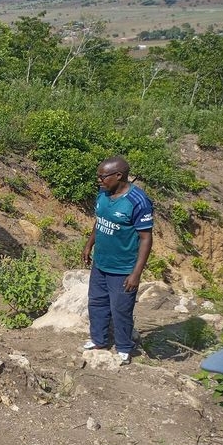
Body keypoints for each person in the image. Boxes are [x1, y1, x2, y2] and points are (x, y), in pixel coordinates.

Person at [82, 156, 154, 365]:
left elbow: (146, 238)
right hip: (101, 263)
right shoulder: (104, 194)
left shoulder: (138, 201)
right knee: (96, 303)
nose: (99, 180)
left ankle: (123, 347)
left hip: (123, 268)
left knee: (120, 309)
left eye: (102, 176)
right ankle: (98, 340)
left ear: (118, 175)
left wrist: (136, 273)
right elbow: (100, 220)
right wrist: (89, 245)